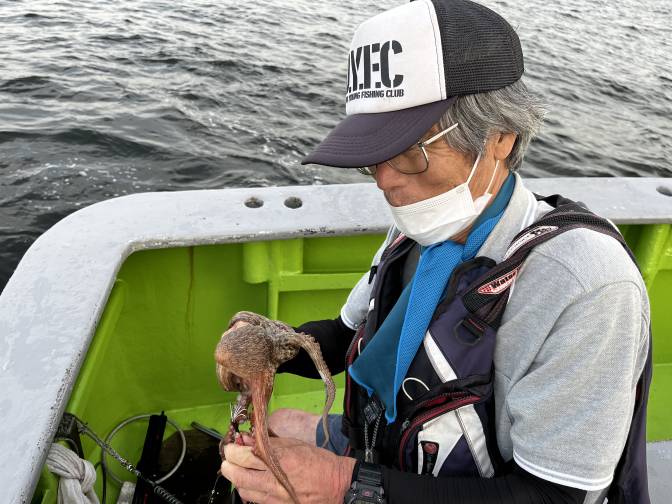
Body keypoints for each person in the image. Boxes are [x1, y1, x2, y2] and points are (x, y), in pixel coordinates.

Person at [220, 0, 651, 503]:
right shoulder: (419, 225)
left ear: (499, 139)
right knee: (275, 424)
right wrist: (271, 347)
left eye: (410, 153)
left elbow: (556, 496)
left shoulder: (587, 285)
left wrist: (341, 484)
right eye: (374, 156)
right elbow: (345, 335)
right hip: (387, 446)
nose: (384, 180)